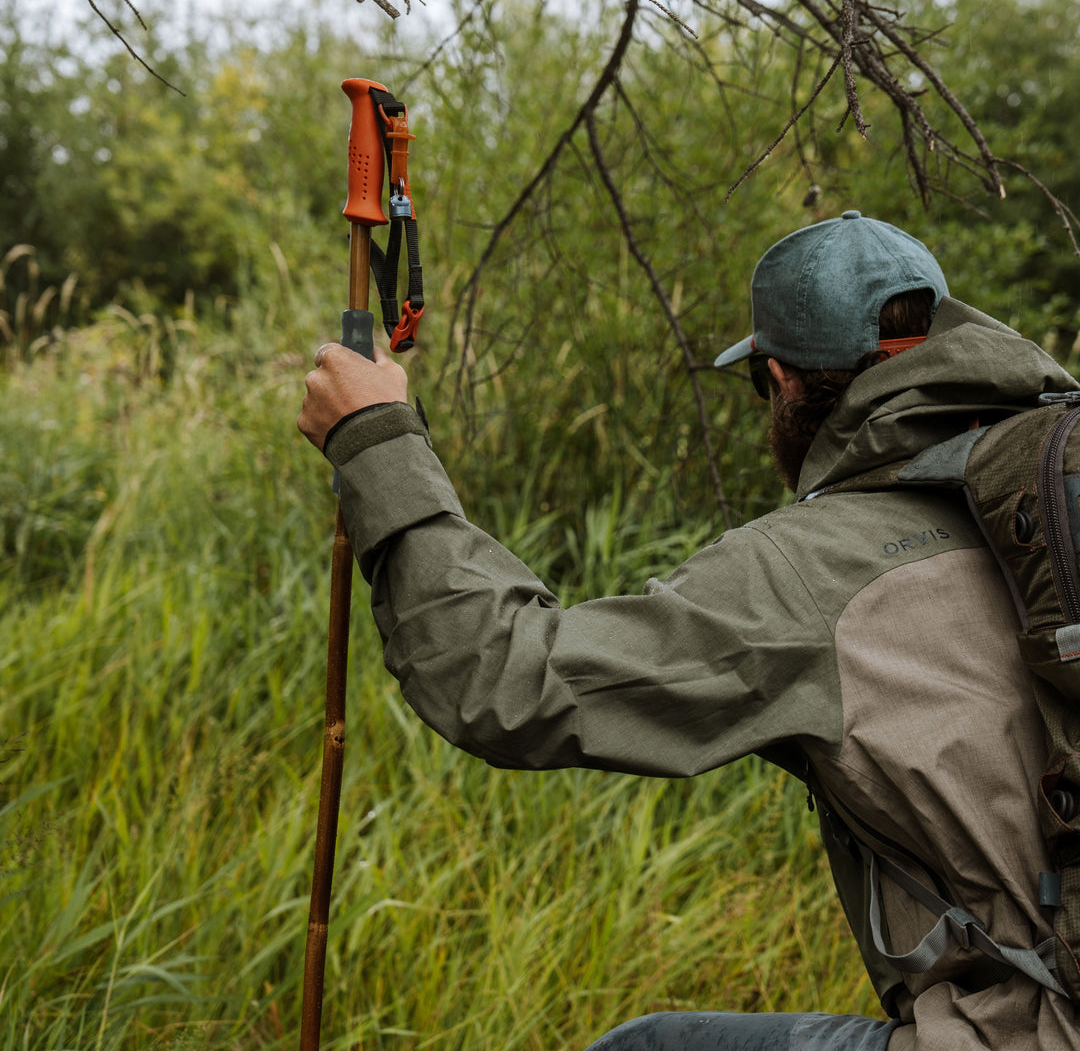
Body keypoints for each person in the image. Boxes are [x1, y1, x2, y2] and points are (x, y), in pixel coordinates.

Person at [298, 211, 1080, 1050]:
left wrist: (374, 439)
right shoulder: (1053, 500)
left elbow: (502, 677)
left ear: (780, 379)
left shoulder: (808, 574)